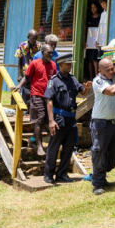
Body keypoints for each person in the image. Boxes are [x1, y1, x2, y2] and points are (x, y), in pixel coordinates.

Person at [43, 53, 92, 183]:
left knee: (68, 148)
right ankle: (48, 174)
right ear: (60, 65)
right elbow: (49, 101)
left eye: (71, 64)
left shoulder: (72, 79)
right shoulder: (54, 81)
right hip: (59, 118)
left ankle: (62, 174)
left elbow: (83, 93)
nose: (70, 66)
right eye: (68, 64)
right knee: (54, 147)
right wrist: (51, 120)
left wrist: (87, 87)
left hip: (71, 119)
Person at [11, 44, 57, 156]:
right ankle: (39, 145)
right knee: (39, 119)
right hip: (36, 94)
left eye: (51, 53)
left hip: (49, 96)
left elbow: (55, 80)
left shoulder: (53, 65)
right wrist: (19, 86)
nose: (50, 55)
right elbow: (26, 77)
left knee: (46, 121)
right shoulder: (34, 63)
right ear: (42, 52)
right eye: (48, 53)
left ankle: (32, 140)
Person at [90, 58, 115, 195]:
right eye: (108, 69)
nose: (111, 71)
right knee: (99, 152)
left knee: (113, 152)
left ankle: (103, 176)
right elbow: (112, 91)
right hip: (101, 124)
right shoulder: (98, 81)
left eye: (112, 68)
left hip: (114, 123)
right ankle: (98, 183)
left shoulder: (113, 79)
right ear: (100, 70)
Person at [14, 30, 42, 108]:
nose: (34, 40)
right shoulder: (22, 46)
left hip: (36, 73)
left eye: (36, 38)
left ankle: (32, 109)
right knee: (26, 91)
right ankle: (25, 110)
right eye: (33, 38)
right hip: (26, 73)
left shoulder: (40, 46)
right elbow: (19, 61)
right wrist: (19, 74)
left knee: (35, 92)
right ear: (28, 37)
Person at [85, 3, 101, 80]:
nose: (93, 9)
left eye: (94, 7)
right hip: (90, 40)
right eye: (91, 8)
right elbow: (86, 30)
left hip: (96, 41)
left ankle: (96, 77)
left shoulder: (100, 17)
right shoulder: (89, 19)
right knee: (89, 60)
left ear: (97, 8)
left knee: (95, 59)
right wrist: (85, 41)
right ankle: (91, 78)